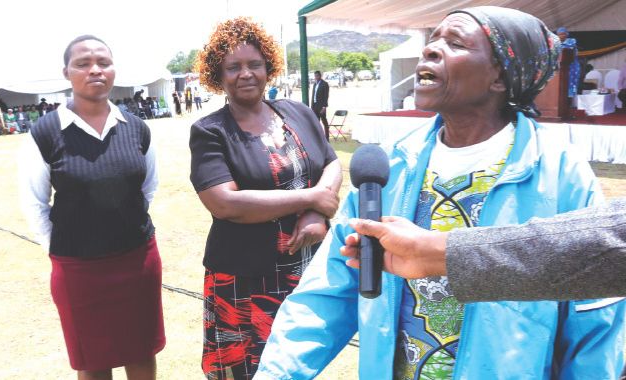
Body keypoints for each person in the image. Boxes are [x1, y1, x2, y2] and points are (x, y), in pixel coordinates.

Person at [256, 7, 625, 380]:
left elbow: (595, 320)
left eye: (455, 42)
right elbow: (326, 294)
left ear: (500, 76)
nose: (430, 50)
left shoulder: (558, 172)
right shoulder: (390, 166)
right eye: (432, 39)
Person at [190, 17, 342, 379]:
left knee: (297, 364)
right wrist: (312, 198)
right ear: (218, 75)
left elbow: (332, 164)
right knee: (247, 370)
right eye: (234, 67)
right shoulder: (210, 132)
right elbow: (226, 204)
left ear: (268, 67)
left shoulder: (298, 113)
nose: (246, 74)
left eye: (254, 64)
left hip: (304, 271)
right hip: (245, 280)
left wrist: (316, 215)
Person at [18, 35, 165, 379]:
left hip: (137, 260)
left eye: (103, 62)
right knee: (93, 362)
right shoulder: (45, 133)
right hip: (78, 269)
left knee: (141, 351)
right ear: (66, 72)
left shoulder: (137, 128)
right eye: (82, 63)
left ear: (114, 70)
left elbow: (148, 186)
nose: (95, 70)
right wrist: (61, 248)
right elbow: (34, 202)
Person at [341, 198, 626, 303]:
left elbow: (598, 252)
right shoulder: (392, 157)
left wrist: (433, 252)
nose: (427, 58)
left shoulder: (560, 163)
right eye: (423, 56)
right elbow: (333, 287)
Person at [557, 27, 581, 100]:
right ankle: (562, 99)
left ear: (567, 34)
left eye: (563, 34)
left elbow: (567, 50)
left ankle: (570, 99)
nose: (561, 36)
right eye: (559, 34)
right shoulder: (556, 42)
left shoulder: (571, 41)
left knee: (571, 83)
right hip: (561, 67)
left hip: (572, 66)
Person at [310, 70, 330, 141]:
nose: (316, 77)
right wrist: (312, 106)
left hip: (321, 106)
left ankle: (327, 137)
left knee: (324, 121)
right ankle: (318, 138)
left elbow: (326, 96)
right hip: (315, 106)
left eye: (317, 76)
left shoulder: (325, 84)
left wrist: (324, 107)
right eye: (315, 76)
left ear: (320, 76)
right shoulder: (315, 84)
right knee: (316, 122)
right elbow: (313, 95)